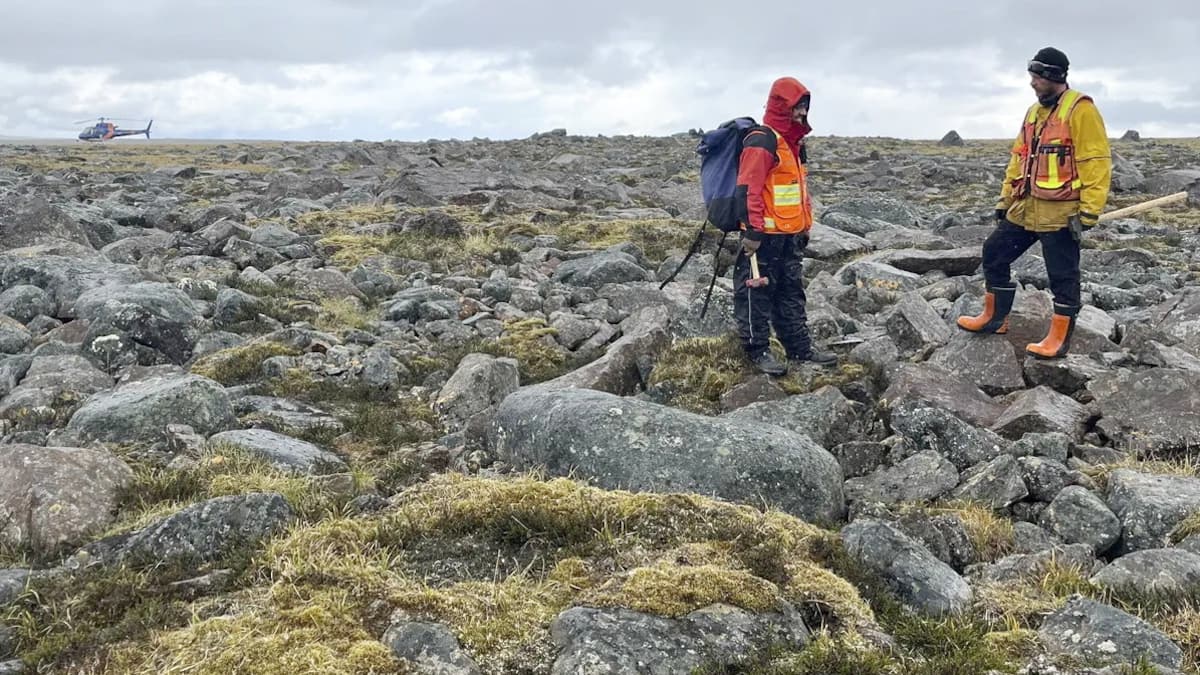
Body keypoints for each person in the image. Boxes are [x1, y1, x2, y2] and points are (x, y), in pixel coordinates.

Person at [957, 47, 1112, 359]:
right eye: (1032, 76)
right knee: (994, 253)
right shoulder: (1033, 113)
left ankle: (1058, 339)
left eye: (1038, 77)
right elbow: (1019, 159)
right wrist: (1005, 199)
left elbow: (1096, 161)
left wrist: (1090, 211)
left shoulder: (1081, 110)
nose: (1032, 83)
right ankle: (994, 318)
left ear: (1055, 76)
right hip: (1025, 209)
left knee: (1063, 275)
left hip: (1061, 212)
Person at [733, 76, 837, 376]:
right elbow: (748, 189)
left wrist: (806, 224)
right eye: (797, 107)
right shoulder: (762, 140)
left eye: (804, 107)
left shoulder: (793, 144)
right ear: (782, 106)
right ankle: (757, 351)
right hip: (763, 237)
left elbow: (798, 189)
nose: (801, 113)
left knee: (791, 292)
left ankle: (799, 348)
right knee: (755, 294)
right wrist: (752, 232)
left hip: (790, 235)